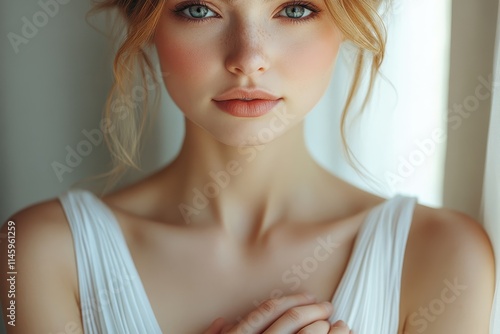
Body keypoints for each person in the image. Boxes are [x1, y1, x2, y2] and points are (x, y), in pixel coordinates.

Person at [0, 0, 496, 333]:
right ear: (144, 24)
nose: (248, 58)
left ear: (348, 21)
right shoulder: (37, 250)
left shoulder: (442, 256)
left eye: (295, 9)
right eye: (200, 9)